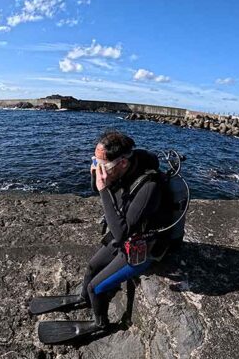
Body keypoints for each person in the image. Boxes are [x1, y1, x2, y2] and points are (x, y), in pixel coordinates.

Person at [80, 129, 174, 328]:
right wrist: (96, 177)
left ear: (122, 162)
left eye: (102, 165)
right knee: (90, 268)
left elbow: (122, 233)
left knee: (95, 287)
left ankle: (100, 324)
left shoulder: (150, 186)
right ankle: (83, 300)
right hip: (125, 233)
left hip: (142, 247)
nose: (99, 169)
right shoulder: (121, 170)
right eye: (95, 161)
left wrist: (104, 188)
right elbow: (95, 189)